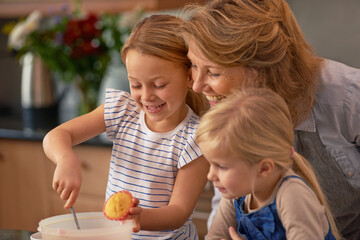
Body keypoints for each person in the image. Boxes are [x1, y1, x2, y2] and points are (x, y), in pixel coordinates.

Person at [179, 0, 360, 239]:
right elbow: (223, 211)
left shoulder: (348, 97)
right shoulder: (228, 111)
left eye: (214, 72)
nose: (199, 85)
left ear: (261, 70)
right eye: (193, 65)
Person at [43, 14, 209, 240]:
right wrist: (65, 158)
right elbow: (57, 135)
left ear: (189, 77)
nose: (147, 96)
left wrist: (141, 218)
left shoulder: (196, 137)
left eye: (159, 85)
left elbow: (179, 212)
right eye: (136, 84)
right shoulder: (122, 110)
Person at [196, 88, 341, 239]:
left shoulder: (293, 197)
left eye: (222, 166)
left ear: (264, 168)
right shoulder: (236, 193)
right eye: (211, 164)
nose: (210, 175)